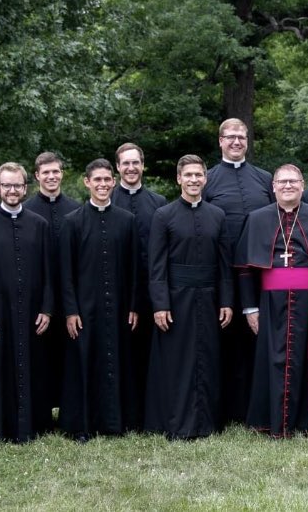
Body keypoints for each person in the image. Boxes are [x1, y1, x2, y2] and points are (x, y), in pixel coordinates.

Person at [235, 164, 308, 437]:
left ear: (302, 185)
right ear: (273, 186)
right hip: (270, 304)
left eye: (293, 182)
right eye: (282, 182)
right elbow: (245, 270)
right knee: (271, 361)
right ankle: (269, 420)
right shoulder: (257, 218)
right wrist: (250, 308)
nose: (287, 186)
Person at [145, 155, 234, 440]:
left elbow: (224, 263)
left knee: (208, 360)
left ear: (205, 179)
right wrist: (160, 304)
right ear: (178, 179)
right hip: (176, 301)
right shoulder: (163, 215)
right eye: (189, 175)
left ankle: (207, 422)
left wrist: (226, 300)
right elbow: (156, 265)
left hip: (209, 299)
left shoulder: (217, 215)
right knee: (177, 362)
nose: (194, 180)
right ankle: (177, 422)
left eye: (199, 175)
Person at [0, 162, 53, 444]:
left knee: (34, 366)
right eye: (7, 185)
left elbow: (49, 271)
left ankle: (34, 425)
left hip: (31, 311)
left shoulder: (40, 225)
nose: (12, 190)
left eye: (17, 185)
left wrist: (46, 308)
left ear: (25, 188)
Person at [59, 159, 139, 442]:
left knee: (118, 361)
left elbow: (133, 269)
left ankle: (116, 422)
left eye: (108, 180)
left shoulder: (127, 221)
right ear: (87, 182)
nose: (103, 185)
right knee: (84, 362)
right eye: (98, 180)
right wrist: (70, 311)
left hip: (118, 307)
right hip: (84, 308)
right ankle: (82, 425)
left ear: (114, 183)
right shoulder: (72, 222)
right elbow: (65, 273)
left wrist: (133, 306)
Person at [203, 118, 274, 425]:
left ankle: (255, 406)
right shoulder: (206, 179)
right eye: (230, 137)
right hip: (220, 273)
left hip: (262, 275)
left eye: (241, 137)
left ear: (247, 141)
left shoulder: (264, 178)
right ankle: (226, 409)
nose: (236, 142)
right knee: (223, 339)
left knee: (258, 338)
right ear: (220, 141)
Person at [110, 142, 167, 432]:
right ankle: (124, 414)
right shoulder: (107, 200)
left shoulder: (158, 203)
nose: (131, 168)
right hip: (118, 293)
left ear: (143, 166)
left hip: (152, 292)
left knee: (151, 353)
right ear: (117, 167)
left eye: (136, 163)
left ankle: (150, 414)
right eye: (125, 163)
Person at [22, 152, 80, 434]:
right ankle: (42, 416)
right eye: (45, 172)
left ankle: (70, 412)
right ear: (37, 176)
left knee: (69, 357)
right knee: (42, 358)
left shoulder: (76, 209)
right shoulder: (27, 210)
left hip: (71, 296)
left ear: (62, 174)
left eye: (56, 171)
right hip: (39, 298)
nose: (51, 176)